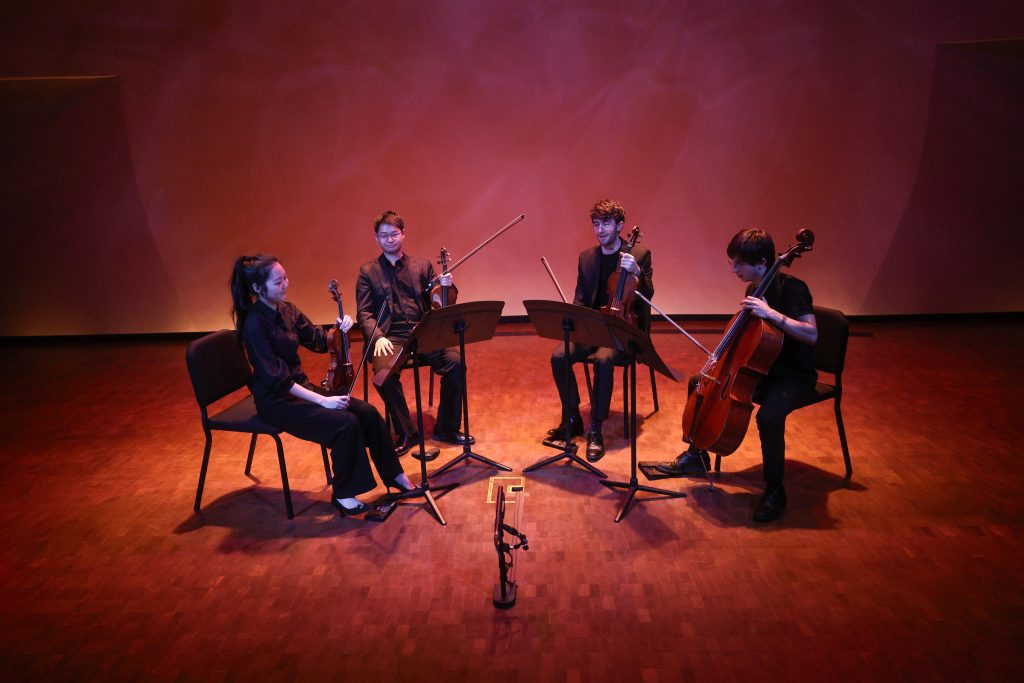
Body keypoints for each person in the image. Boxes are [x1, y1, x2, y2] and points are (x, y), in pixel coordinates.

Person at [230, 254, 420, 517]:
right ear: (258, 288)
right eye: (278, 281)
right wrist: (322, 400)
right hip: (276, 401)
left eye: (285, 277)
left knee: (367, 413)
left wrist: (339, 330)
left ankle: (395, 475)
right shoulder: (253, 325)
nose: (285, 284)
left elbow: (318, 340)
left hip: (300, 388)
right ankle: (343, 493)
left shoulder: (288, 310)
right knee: (345, 423)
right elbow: (278, 380)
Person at [656, 228, 818, 523]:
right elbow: (750, 338)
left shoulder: (794, 289)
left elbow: (811, 334)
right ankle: (697, 453)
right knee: (699, 382)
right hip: (759, 371)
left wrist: (772, 314)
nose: (733, 269)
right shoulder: (753, 288)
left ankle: (775, 490)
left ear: (762, 262)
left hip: (793, 376)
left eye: (738, 263)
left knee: (768, 417)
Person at [544, 198, 654, 462]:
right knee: (558, 357)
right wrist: (574, 318)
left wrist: (637, 273)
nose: (600, 229)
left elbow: (648, 297)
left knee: (603, 361)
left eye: (606, 223)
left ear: (620, 225)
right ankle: (572, 418)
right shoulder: (586, 257)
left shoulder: (639, 256)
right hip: (592, 327)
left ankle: (596, 428)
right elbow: (581, 297)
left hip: (622, 330)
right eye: (596, 224)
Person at [355, 210, 472, 456]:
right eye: (383, 235)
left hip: (423, 330)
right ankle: (407, 432)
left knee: (456, 363)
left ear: (403, 234)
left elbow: (440, 301)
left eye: (394, 234)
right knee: (383, 376)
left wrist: (446, 286)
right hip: (391, 336)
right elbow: (364, 313)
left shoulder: (422, 266)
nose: (389, 239)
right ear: (376, 238)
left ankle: (447, 429)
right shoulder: (368, 272)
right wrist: (377, 337)